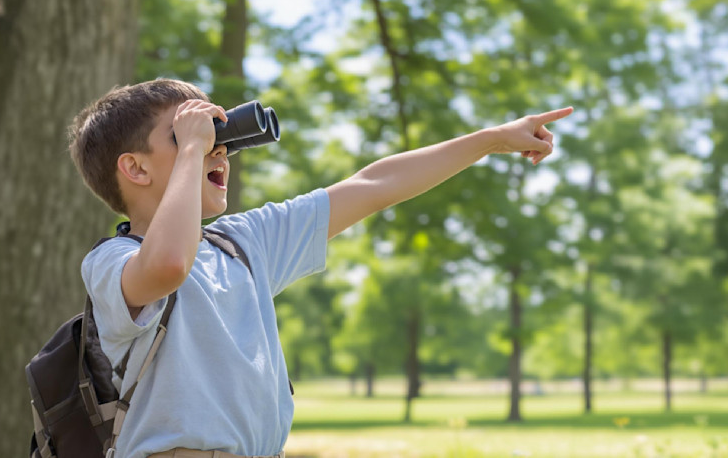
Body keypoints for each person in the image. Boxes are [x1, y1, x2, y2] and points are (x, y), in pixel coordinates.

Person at [68, 78, 572, 458]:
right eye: (184, 134)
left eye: (217, 134)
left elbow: (374, 184)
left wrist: (490, 139)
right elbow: (168, 264)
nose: (217, 146)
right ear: (135, 169)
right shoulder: (111, 263)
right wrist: (194, 148)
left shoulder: (242, 245)